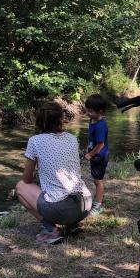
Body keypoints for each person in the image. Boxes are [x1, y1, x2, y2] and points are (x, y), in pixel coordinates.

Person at [16, 102, 92, 244]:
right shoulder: (72, 138)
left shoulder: (35, 141)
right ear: (61, 119)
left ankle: (51, 230)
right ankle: (72, 225)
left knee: (20, 187)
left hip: (62, 211)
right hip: (85, 204)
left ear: (39, 121)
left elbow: (26, 179)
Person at [83, 94, 109, 216]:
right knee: (96, 180)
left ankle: (98, 206)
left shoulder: (100, 126)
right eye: (87, 110)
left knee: (98, 181)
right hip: (95, 155)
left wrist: (90, 154)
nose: (87, 113)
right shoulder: (93, 120)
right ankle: (97, 200)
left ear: (100, 112)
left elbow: (101, 144)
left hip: (100, 156)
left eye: (91, 111)